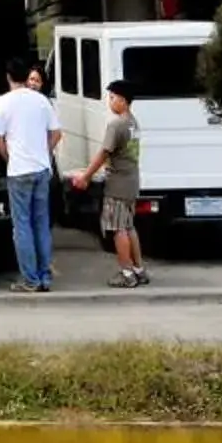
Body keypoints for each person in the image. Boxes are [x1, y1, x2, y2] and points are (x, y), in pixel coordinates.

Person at [69, 77, 149, 288]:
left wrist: (85, 176)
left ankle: (126, 272)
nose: (109, 102)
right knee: (129, 226)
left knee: (117, 229)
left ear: (122, 100)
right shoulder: (133, 122)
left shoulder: (116, 125)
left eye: (112, 97)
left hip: (117, 185)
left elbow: (104, 153)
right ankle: (139, 268)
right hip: (131, 181)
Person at [0, 57, 61, 292]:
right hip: (41, 169)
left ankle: (30, 279)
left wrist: (9, 158)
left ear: (9, 77)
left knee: (22, 226)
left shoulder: (3, 102)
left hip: (19, 170)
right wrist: (44, 152)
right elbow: (56, 133)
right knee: (41, 224)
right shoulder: (41, 100)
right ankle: (45, 277)